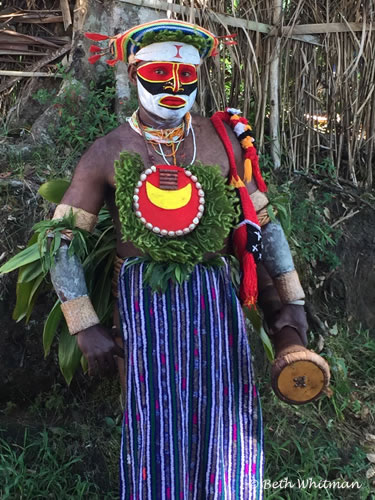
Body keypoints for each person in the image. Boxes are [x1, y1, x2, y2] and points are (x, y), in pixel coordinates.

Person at [48, 19, 308, 499]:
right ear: (132, 70)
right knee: (156, 428)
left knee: (226, 416)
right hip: (147, 310)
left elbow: (263, 225)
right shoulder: (106, 151)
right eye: (160, 72)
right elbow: (62, 241)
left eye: (185, 76)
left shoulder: (223, 140)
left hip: (216, 304)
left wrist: (290, 300)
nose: (173, 87)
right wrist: (83, 324)